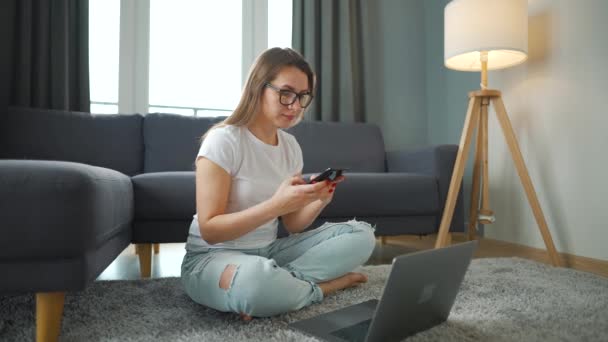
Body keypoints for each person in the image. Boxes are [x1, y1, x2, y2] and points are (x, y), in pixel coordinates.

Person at [180, 47, 376, 321]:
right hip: (212, 257)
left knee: (362, 235)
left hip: (270, 252)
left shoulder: (290, 146)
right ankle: (318, 288)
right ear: (258, 88)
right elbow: (210, 230)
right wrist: (274, 206)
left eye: (302, 96)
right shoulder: (223, 140)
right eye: (286, 93)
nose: (295, 105)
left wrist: (319, 199)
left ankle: (276, 288)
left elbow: (293, 224)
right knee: (253, 283)